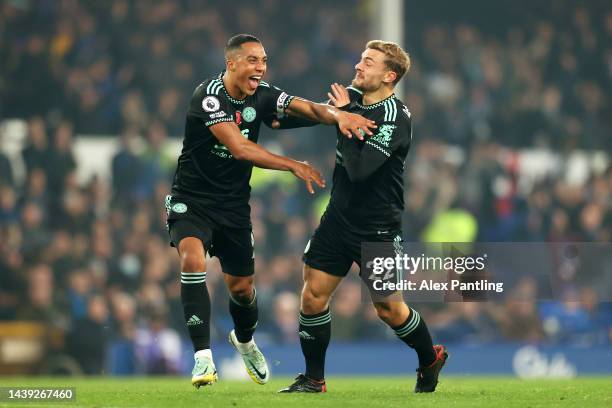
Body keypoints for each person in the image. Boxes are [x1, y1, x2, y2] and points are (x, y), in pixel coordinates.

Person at [165, 33, 376, 388]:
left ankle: (244, 341)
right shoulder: (209, 96)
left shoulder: (261, 94)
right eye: (252, 60)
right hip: (192, 200)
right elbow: (240, 148)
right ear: (231, 63)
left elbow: (305, 107)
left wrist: (337, 116)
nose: (260, 67)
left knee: (243, 289)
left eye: (263, 61)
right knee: (191, 261)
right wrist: (292, 164)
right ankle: (202, 358)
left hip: (233, 208)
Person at [276, 41, 448, 394]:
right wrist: (271, 111)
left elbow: (359, 170)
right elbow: (311, 114)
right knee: (312, 296)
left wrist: (343, 118)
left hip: (378, 229)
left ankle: (429, 358)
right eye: (360, 58)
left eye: (368, 62)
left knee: (388, 309)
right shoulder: (350, 99)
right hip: (337, 221)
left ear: (389, 75)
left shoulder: (395, 117)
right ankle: (314, 380)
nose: (358, 66)